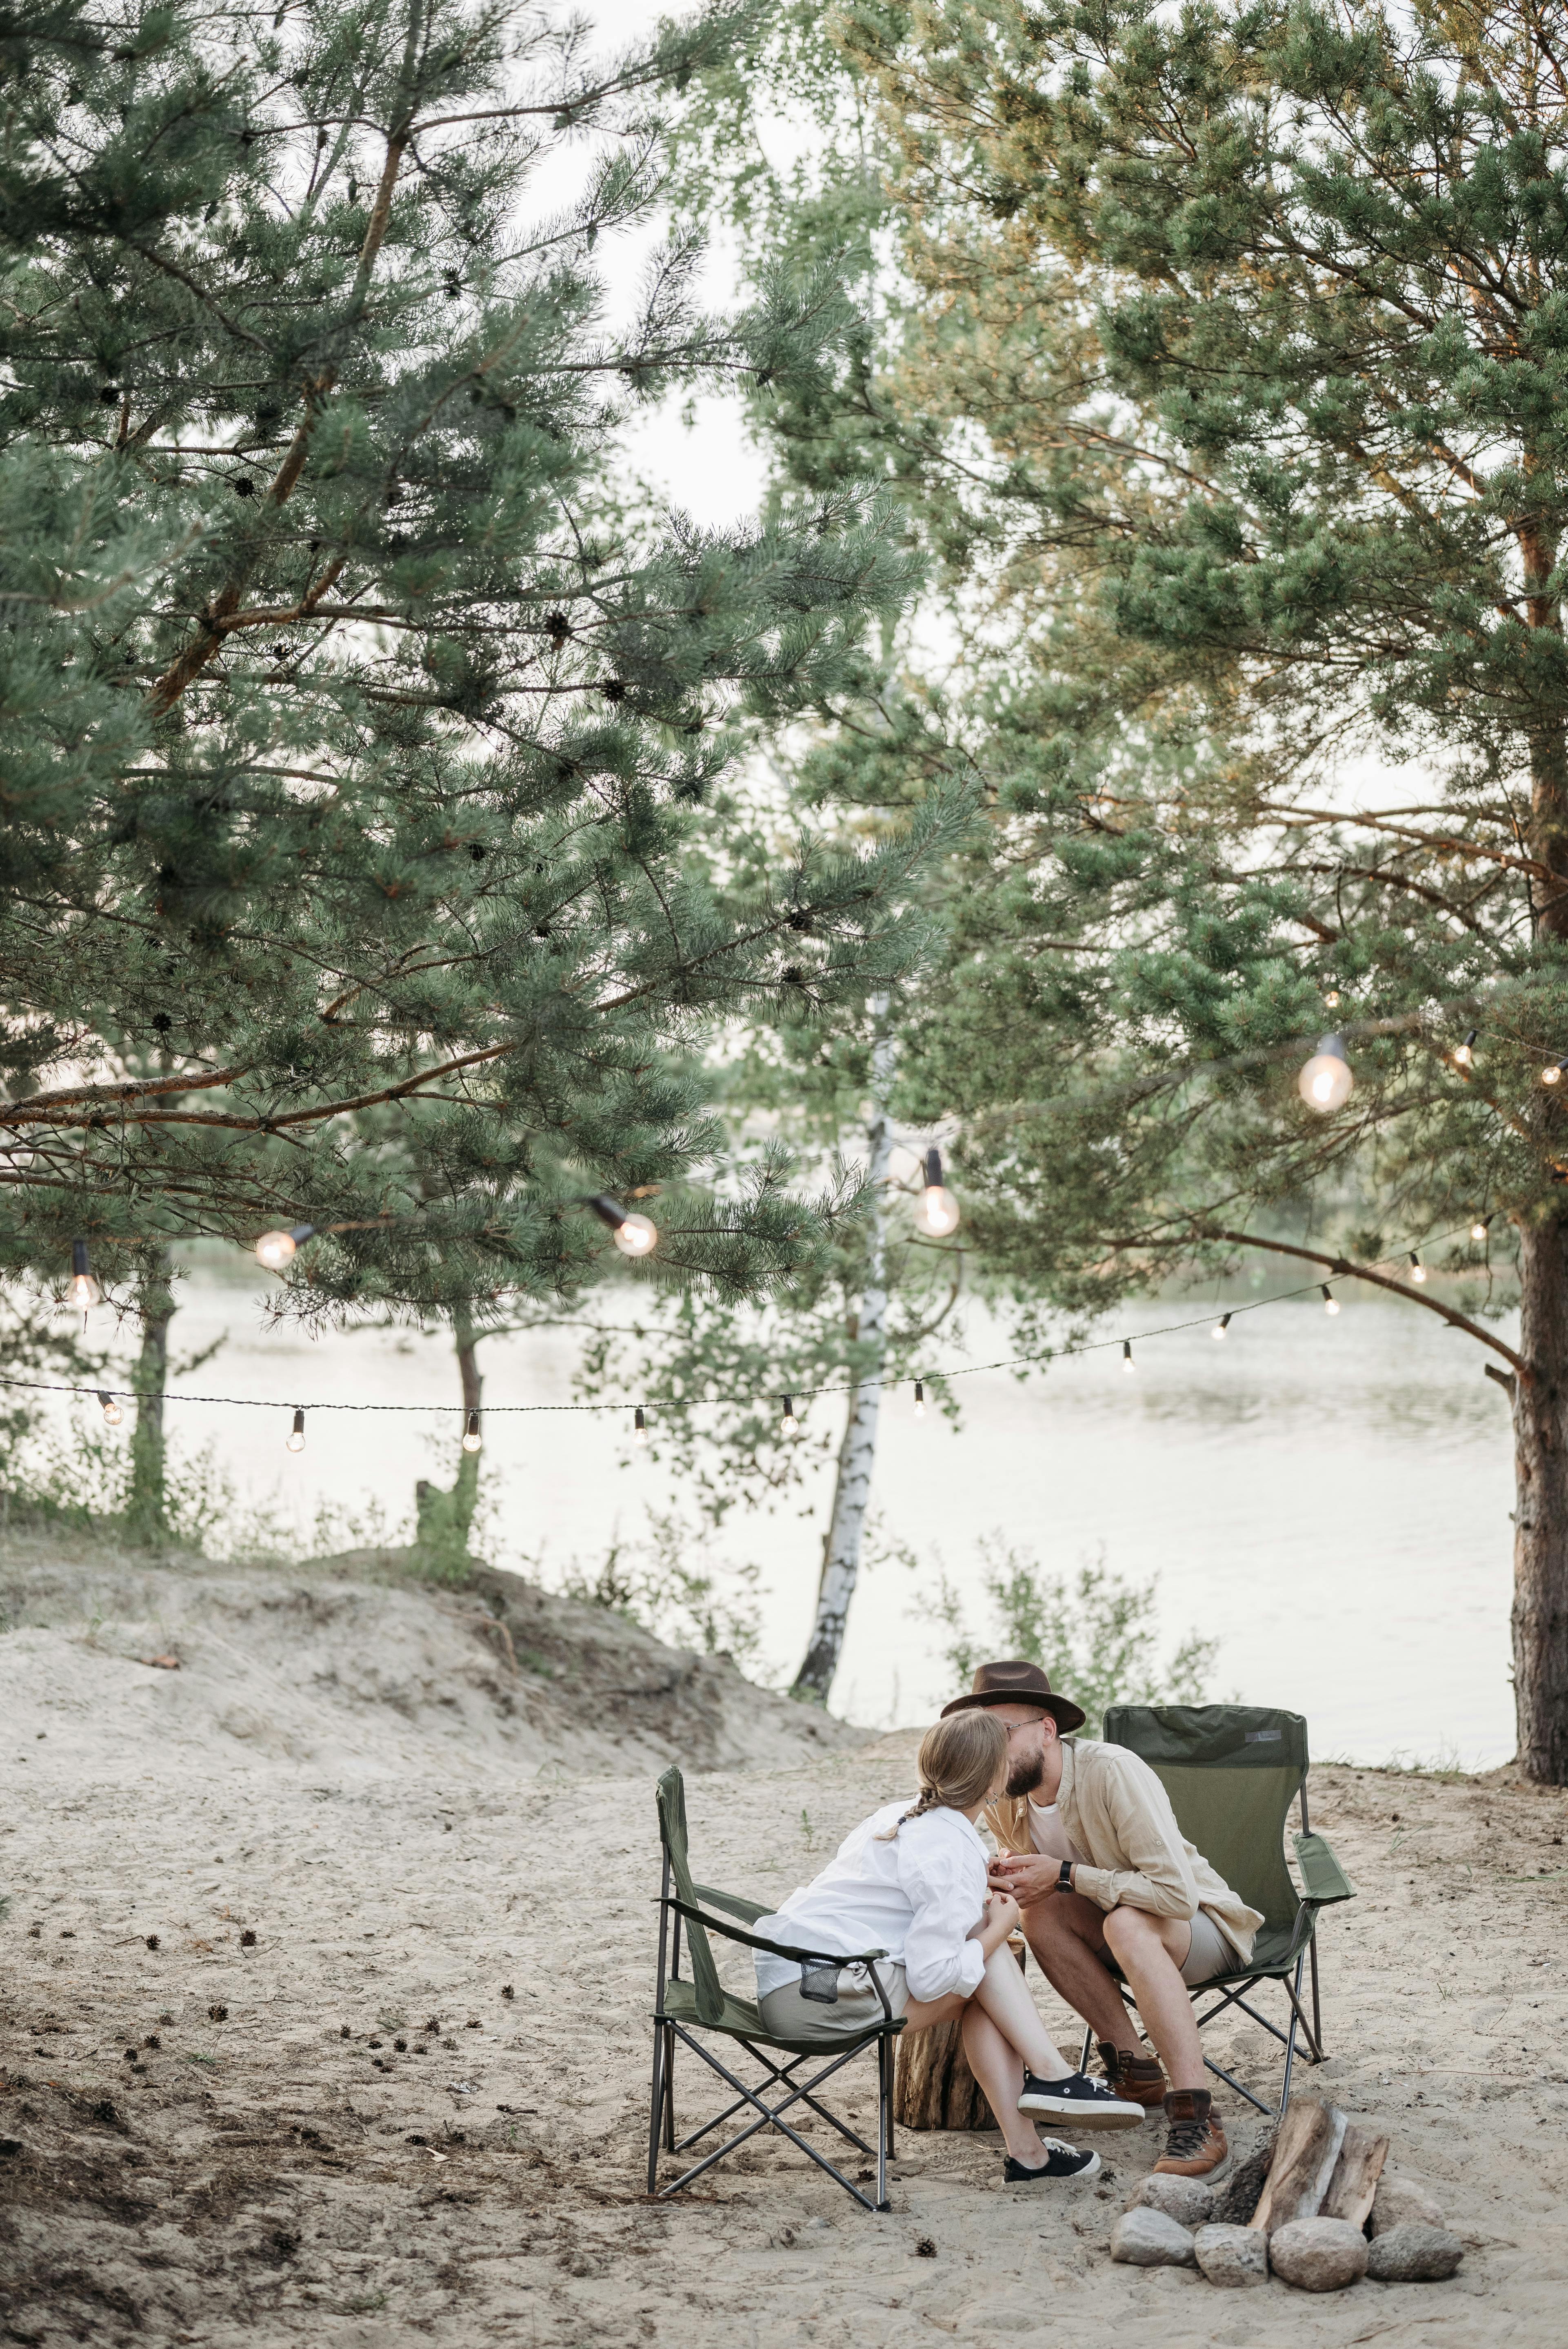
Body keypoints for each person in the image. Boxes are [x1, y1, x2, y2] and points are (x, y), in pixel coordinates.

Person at [752, 1707, 1145, 2184]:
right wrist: (1000, 1924)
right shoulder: (948, 1847)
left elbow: (902, 1905)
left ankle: (1032, 2151)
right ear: (996, 1778)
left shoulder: (898, 1815)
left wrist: (977, 1896)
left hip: (797, 1980)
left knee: (983, 1982)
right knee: (986, 1961)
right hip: (821, 1999)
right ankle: (1049, 2079)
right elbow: (931, 1977)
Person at [947, 1660, 1263, 2180]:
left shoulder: (1110, 1770)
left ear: (1046, 1729)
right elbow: (1039, 1883)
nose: (989, 1750)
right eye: (981, 1736)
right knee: (1037, 1912)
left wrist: (1068, 1874)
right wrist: (1002, 1875)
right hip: (1117, 1928)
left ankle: (1195, 2114)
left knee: (1125, 1924)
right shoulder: (1005, 1790)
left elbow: (1174, 1895)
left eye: (1002, 1733)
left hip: (1202, 1927)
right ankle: (1136, 2072)